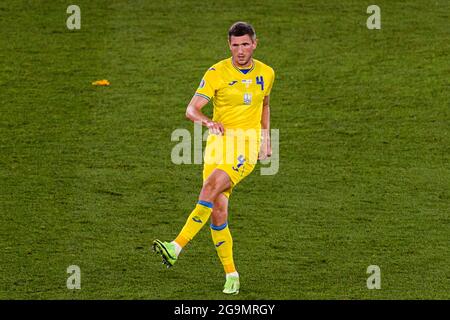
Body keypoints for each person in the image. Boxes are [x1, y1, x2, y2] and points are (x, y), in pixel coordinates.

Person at [153, 21, 275, 295]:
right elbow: (191, 109)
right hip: (218, 146)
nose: (241, 50)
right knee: (217, 210)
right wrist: (208, 122)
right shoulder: (217, 73)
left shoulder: (267, 73)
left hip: (246, 146)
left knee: (209, 188)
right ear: (229, 46)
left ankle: (176, 246)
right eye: (235, 45)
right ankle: (232, 274)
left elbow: (265, 105)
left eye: (245, 44)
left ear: (255, 44)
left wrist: (266, 140)